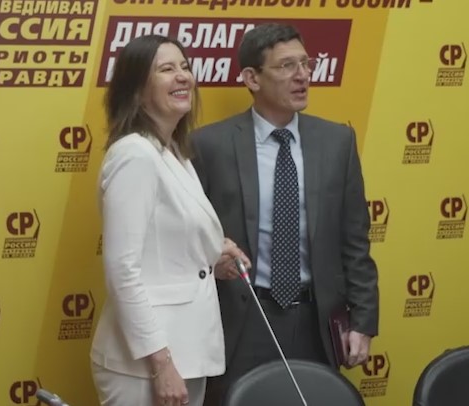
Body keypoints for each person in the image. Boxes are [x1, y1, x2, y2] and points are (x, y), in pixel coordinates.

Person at [190, 23, 380, 405]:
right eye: (286, 66)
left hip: (315, 320)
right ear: (251, 78)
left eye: (306, 64)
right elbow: (189, 238)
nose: (302, 75)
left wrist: (362, 321)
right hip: (241, 319)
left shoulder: (337, 142)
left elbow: (354, 240)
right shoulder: (209, 145)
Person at [90, 34, 252, 406]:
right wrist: (161, 364)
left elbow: (162, 248)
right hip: (146, 363)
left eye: (185, 67)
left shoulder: (172, 152)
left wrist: (212, 257)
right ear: (136, 91)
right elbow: (122, 269)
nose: (183, 76)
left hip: (185, 353)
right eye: (166, 69)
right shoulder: (135, 155)